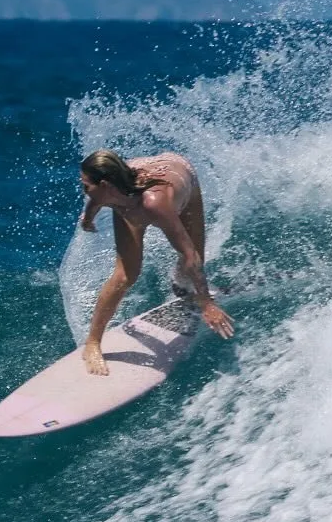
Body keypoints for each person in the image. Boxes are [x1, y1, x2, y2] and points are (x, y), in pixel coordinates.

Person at [78, 149, 234, 375]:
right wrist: (89, 218)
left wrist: (206, 303)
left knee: (188, 263)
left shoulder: (155, 204)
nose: (84, 191)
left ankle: (185, 289)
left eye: (86, 186)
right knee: (124, 275)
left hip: (181, 175)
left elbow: (191, 256)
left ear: (104, 185)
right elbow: (97, 198)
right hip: (132, 180)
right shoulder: (109, 193)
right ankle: (93, 342)